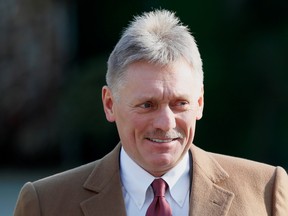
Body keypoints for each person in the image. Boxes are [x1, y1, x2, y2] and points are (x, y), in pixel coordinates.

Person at [14, 9, 288, 216]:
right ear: (109, 104)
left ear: (200, 103)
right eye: (147, 105)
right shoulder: (46, 204)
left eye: (180, 103)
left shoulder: (264, 191)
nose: (165, 122)